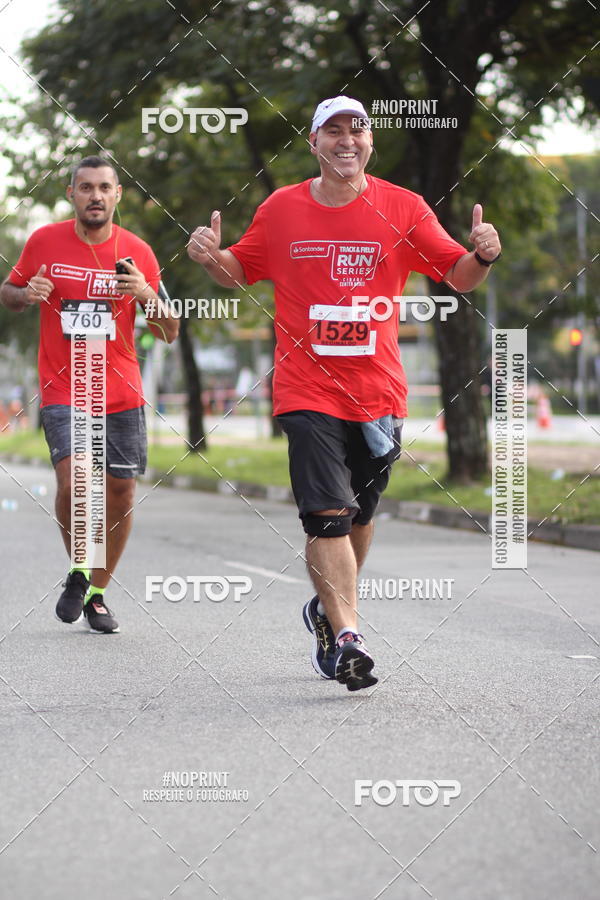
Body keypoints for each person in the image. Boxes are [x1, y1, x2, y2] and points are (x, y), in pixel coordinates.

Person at [187, 96, 501, 690]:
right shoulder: (281, 209)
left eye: (357, 129)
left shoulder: (403, 208)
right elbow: (238, 269)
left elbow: (456, 276)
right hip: (305, 389)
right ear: (314, 143)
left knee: (359, 514)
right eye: (333, 131)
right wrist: (210, 259)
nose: (347, 140)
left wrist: (482, 253)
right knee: (327, 515)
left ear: (370, 142)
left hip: (378, 391)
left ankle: (326, 611)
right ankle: (348, 637)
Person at [0, 155, 179, 633]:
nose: (95, 195)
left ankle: (92, 589)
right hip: (64, 386)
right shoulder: (44, 241)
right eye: (85, 187)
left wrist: (145, 293)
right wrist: (27, 293)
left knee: (119, 493)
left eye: (104, 187)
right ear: (71, 195)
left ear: (118, 195)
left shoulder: (137, 251)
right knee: (75, 482)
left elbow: (169, 330)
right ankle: (82, 563)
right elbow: (9, 293)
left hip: (121, 391)